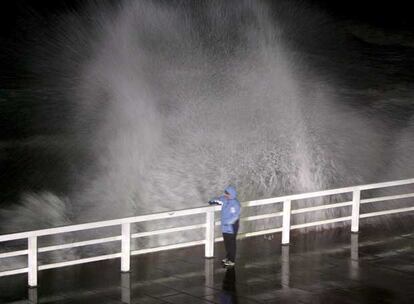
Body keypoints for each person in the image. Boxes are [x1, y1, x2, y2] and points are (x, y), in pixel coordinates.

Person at [209, 186, 241, 267]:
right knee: (227, 243)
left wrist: (228, 223)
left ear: (231, 194)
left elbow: (235, 216)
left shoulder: (235, 204)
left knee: (231, 243)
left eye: (227, 193)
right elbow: (218, 200)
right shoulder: (225, 199)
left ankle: (232, 260)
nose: (225, 194)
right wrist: (212, 201)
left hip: (231, 226)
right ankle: (228, 257)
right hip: (225, 226)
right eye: (225, 193)